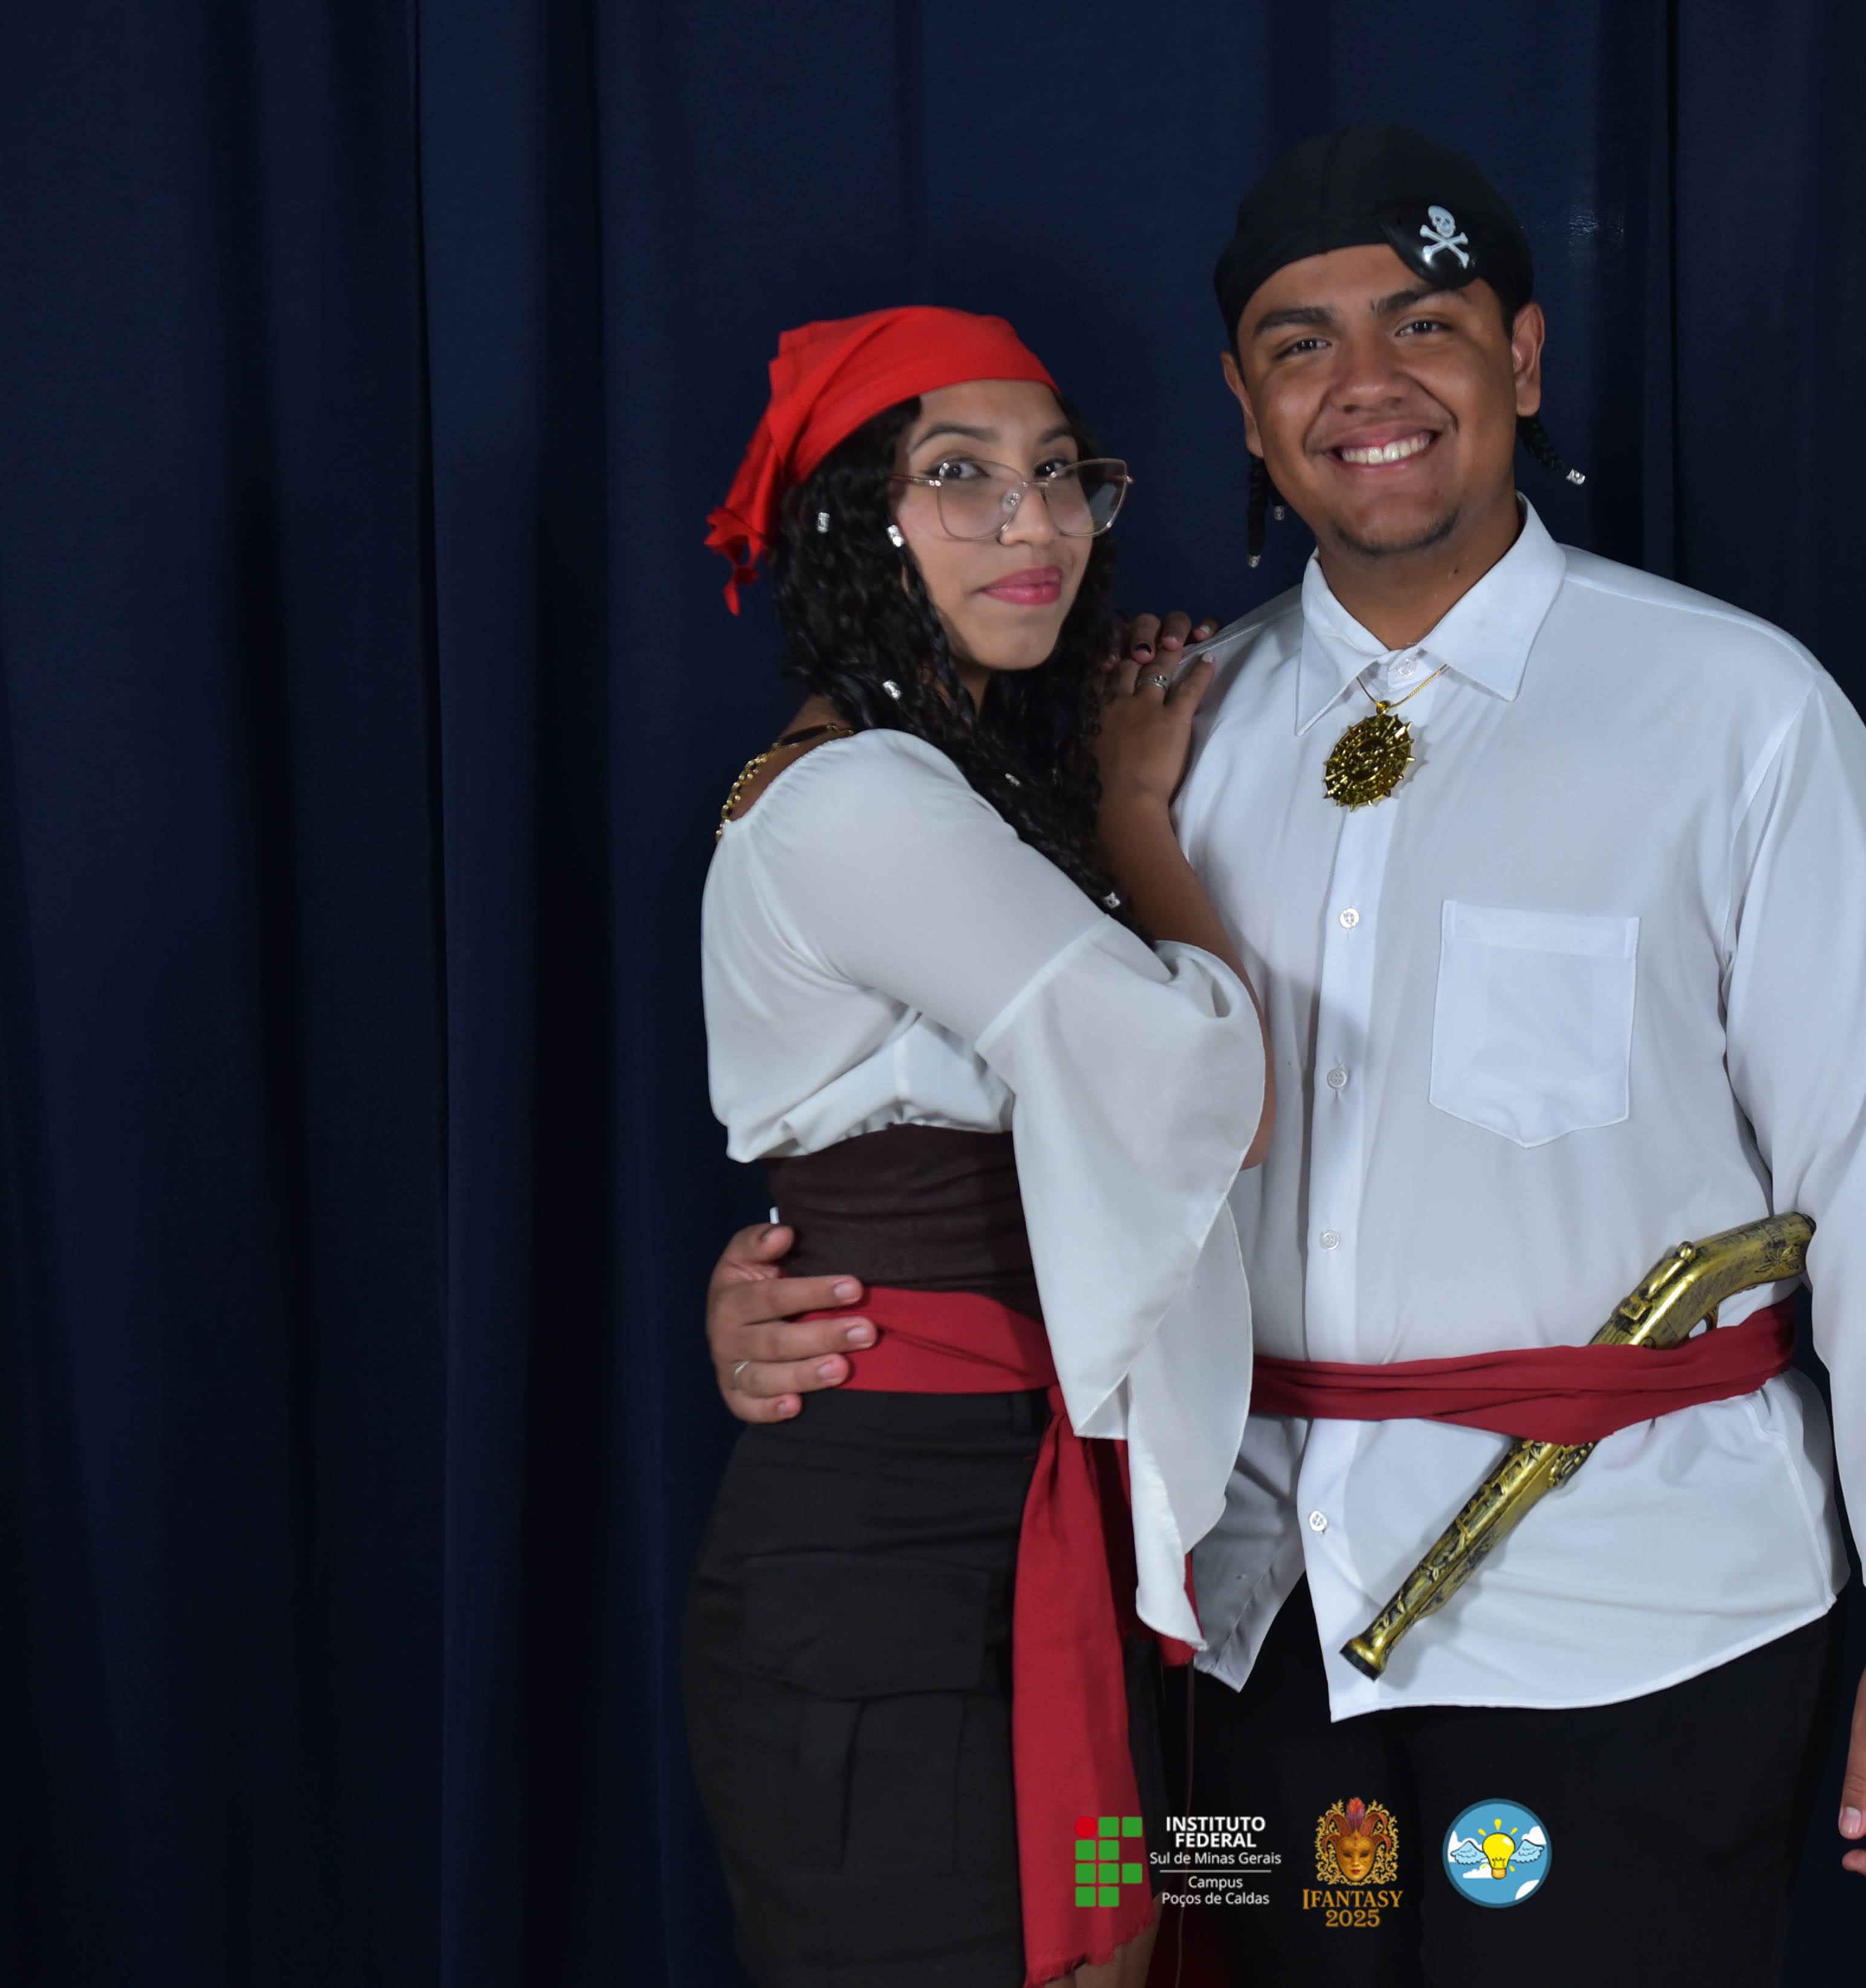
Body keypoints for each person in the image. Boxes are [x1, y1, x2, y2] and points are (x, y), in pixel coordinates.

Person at [706, 130, 1866, 1984]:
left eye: (1423, 325)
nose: (1365, 384)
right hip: (1246, 1623)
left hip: (1628, 1619)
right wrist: (790, 1290)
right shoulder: (1152, 735)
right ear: (1244, 412)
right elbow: (991, 1110)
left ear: (1523, 358)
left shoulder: (1737, 710)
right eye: (1299, 344)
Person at [684, 305, 1274, 1988]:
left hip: (1031, 1509)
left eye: (1061, 473)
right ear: (852, 524)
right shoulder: (856, 800)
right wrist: (1138, 812)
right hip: (904, 1555)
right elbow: (1212, 1097)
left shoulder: (968, 783)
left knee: (1119, 1953)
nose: (1038, 522)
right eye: (960, 476)